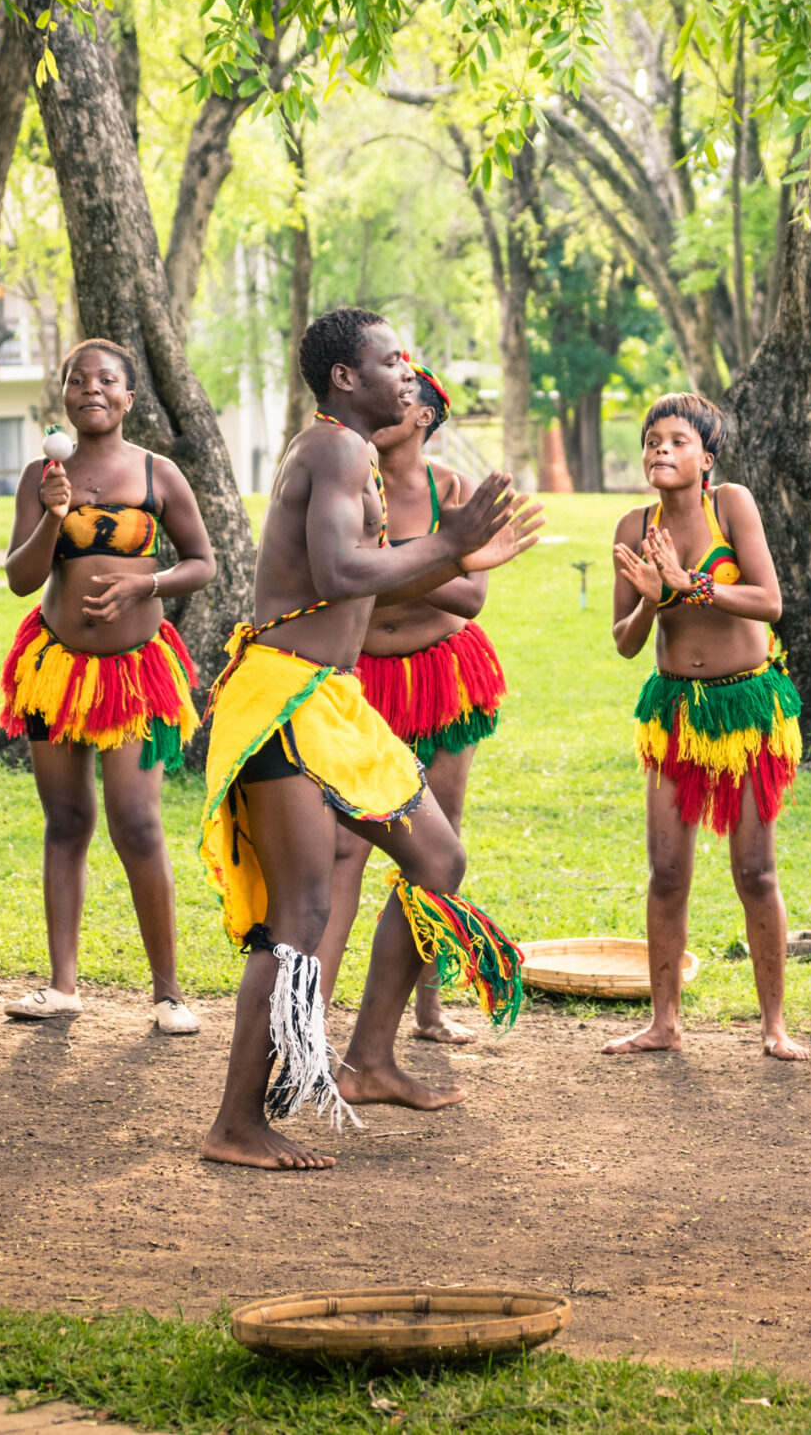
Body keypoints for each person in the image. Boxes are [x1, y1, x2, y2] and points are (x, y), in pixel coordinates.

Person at [195, 308, 544, 1171]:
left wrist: (459, 558)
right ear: (346, 378)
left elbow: (382, 579)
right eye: (392, 361)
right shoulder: (336, 450)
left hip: (333, 699)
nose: (408, 374)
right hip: (283, 698)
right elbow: (340, 575)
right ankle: (236, 1122)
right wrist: (449, 542)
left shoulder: (349, 458)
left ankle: (372, 1058)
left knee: (438, 860)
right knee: (302, 913)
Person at [0, 339, 216, 1034]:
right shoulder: (43, 473)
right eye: (77, 379)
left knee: (139, 822)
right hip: (56, 668)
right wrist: (54, 515)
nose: (92, 387)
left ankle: (169, 993)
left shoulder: (158, 474)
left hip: (138, 672)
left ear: (127, 398)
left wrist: (143, 584)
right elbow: (20, 580)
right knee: (65, 822)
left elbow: (203, 563)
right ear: (63, 396)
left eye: (107, 380)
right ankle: (62, 987)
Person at [604, 393, 807, 1060]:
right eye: (653, 440)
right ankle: (664, 1022)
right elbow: (626, 643)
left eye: (678, 441)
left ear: (706, 458)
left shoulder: (732, 505)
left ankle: (774, 1025)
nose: (662, 450)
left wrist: (691, 586)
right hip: (673, 711)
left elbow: (769, 601)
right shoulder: (633, 527)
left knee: (754, 869)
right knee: (666, 869)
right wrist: (653, 602)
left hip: (746, 704)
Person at [312, 361, 503, 1046]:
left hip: (444, 674)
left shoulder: (450, 488)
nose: (389, 395)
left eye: (405, 391)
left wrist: (391, 564)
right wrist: (432, 561)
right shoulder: (343, 476)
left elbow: (471, 597)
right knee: (343, 844)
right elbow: (338, 585)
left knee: (436, 842)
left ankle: (425, 1008)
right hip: (362, 676)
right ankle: (313, 1016)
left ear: (425, 414)